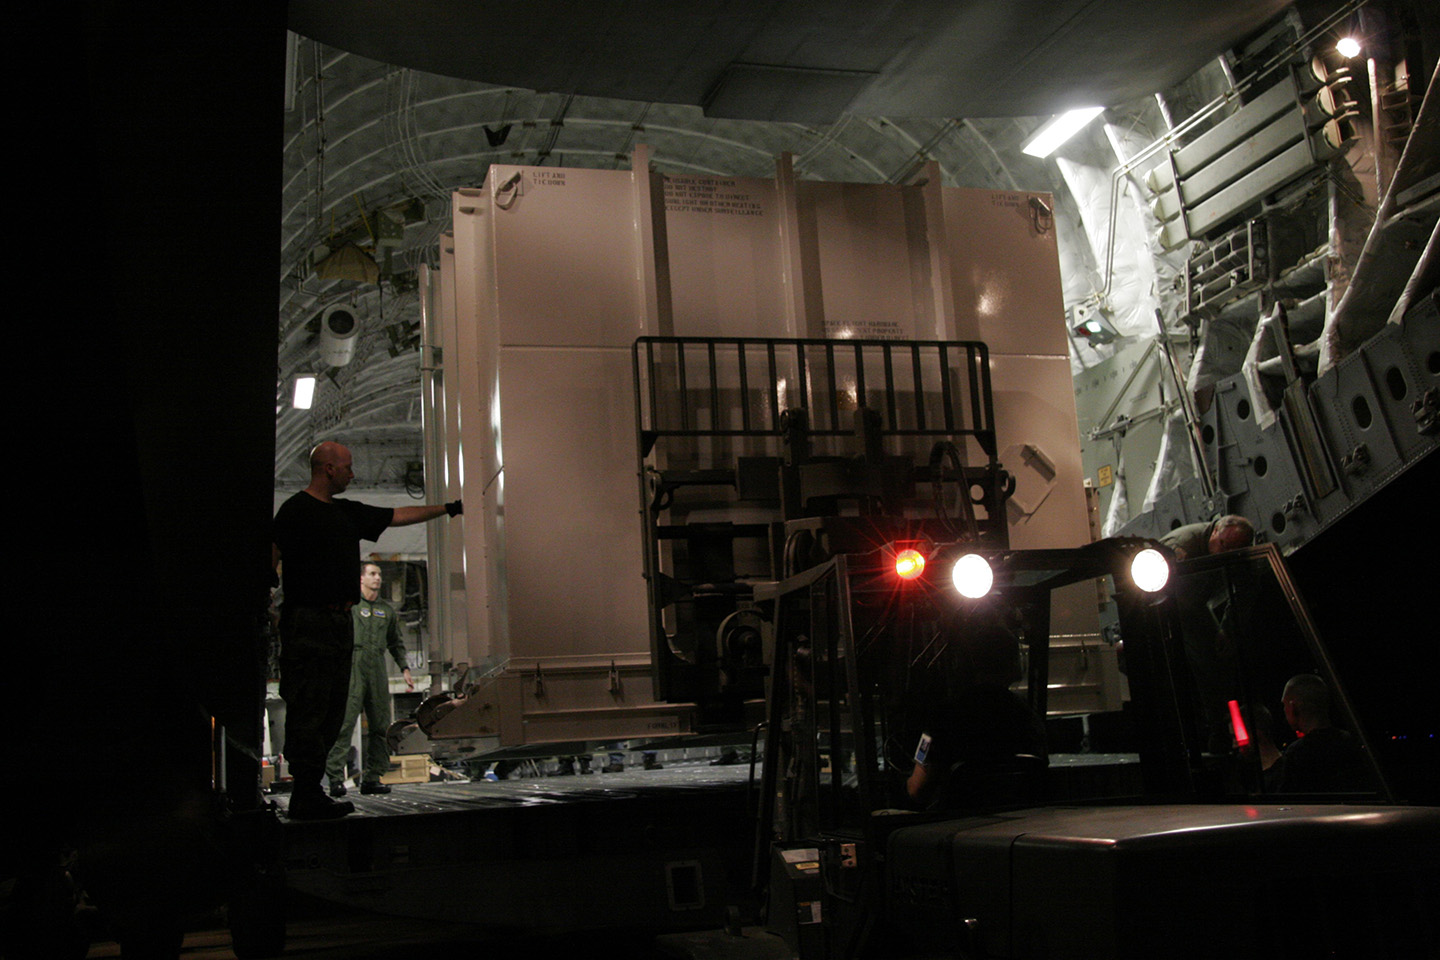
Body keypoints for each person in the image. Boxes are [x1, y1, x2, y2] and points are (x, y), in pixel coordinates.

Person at [272, 441, 461, 820]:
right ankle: (305, 793)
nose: (353, 473)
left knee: (331, 709)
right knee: (309, 705)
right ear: (328, 469)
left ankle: (312, 792)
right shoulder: (295, 511)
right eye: (347, 467)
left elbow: (397, 515)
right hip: (308, 622)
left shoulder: (345, 513)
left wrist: (447, 509)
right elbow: (272, 551)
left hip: (339, 623)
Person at [325, 562, 415, 797]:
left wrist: (404, 667)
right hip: (352, 665)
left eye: (379, 575)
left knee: (380, 725)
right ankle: (334, 778)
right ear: (361, 579)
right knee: (344, 723)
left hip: (377, 667)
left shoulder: (386, 611)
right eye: (372, 574)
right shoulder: (352, 607)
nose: (377, 578)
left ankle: (373, 777)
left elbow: (396, 642)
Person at [1276, 673, 1370, 793]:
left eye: (1284, 705)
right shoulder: (1353, 742)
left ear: (1293, 707)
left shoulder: (1297, 753)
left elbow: (1288, 799)